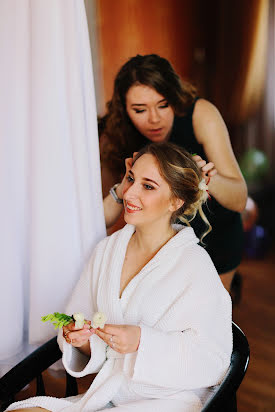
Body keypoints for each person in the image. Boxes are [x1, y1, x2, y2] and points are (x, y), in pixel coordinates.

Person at [6, 142, 232, 412]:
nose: (129, 193)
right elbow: (82, 327)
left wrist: (142, 341)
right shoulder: (108, 250)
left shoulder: (194, 265)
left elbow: (213, 359)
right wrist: (80, 339)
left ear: (176, 201)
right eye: (131, 179)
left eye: (148, 186)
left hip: (169, 402)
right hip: (110, 396)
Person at [100, 54, 248, 293]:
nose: (155, 119)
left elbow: (240, 198)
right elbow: (101, 220)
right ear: (124, 109)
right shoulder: (117, 134)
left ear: (175, 98)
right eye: (140, 110)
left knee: (211, 318)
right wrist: (126, 182)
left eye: (163, 104)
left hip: (217, 236)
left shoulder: (201, 114)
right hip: (162, 244)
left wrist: (209, 179)